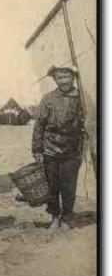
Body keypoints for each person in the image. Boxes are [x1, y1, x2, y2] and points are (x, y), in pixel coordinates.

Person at [32, 65, 85, 229]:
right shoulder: (48, 99)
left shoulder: (81, 99)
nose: (63, 81)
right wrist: (37, 149)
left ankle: (67, 215)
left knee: (69, 186)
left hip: (72, 149)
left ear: (73, 78)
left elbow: (87, 122)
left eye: (66, 77)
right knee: (52, 185)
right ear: (55, 80)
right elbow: (39, 125)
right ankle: (55, 216)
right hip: (50, 148)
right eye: (59, 78)